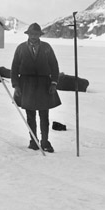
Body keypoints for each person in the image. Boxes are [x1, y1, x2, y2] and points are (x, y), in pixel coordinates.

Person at [11, 23, 61, 152]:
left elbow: (54, 66)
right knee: (30, 115)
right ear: (28, 35)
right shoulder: (21, 48)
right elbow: (14, 68)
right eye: (31, 34)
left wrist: (54, 83)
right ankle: (34, 141)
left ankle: (45, 142)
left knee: (44, 115)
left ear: (40, 35)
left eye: (36, 34)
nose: (34, 36)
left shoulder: (46, 48)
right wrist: (16, 86)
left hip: (44, 84)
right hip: (26, 84)